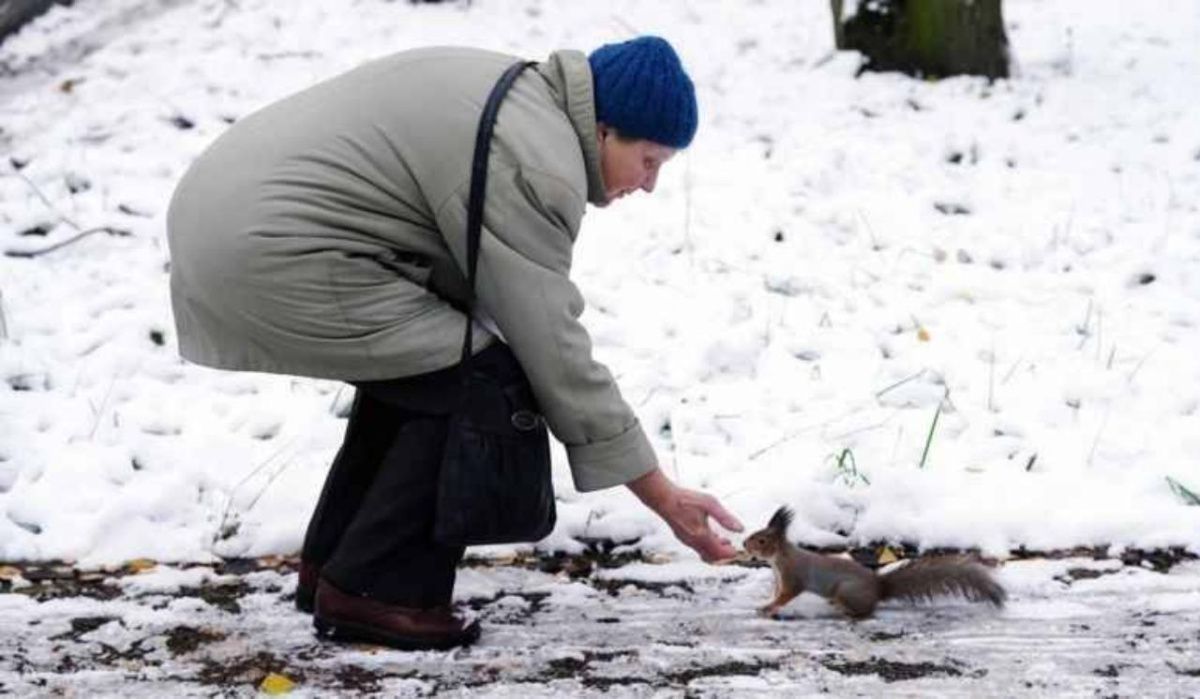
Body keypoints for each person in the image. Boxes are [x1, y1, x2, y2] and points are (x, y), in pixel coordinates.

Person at [165, 35, 743, 650]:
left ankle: (340, 566)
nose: (649, 185)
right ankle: (376, 592)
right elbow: (552, 347)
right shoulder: (538, 160)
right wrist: (662, 495)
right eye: (650, 161)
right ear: (603, 130)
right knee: (483, 379)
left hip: (226, 217)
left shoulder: (518, 97)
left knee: (433, 365)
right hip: (267, 248)